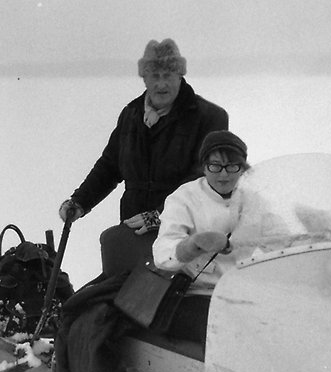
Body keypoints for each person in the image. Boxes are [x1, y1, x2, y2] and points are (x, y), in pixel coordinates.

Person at [58, 38, 228, 244]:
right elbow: (109, 166)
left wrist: (161, 216)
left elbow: (203, 178)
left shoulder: (209, 117)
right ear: (144, 78)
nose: (161, 84)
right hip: (134, 233)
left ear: (180, 76)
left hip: (185, 236)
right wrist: (80, 202)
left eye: (168, 75)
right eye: (155, 75)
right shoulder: (131, 115)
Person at [152, 130, 250, 345]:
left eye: (232, 166)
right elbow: (162, 253)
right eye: (215, 166)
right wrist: (193, 244)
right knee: (232, 334)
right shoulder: (184, 197)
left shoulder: (253, 196)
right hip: (196, 295)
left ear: (242, 168)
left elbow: (278, 234)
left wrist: (312, 230)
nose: (223, 175)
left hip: (245, 293)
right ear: (204, 166)